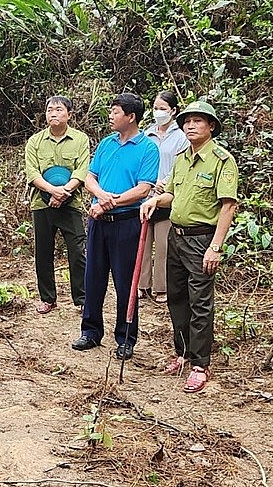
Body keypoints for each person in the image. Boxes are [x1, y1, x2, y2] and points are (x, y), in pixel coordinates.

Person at [140, 100, 238, 393]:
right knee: (177, 298)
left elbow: (228, 205)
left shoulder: (222, 160)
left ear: (211, 126)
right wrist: (157, 199)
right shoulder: (182, 158)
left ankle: (200, 363)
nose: (191, 125)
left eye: (198, 121)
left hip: (201, 239)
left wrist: (215, 246)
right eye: (187, 121)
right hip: (176, 236)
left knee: (200, 302)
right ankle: (181, 353)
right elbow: (172, 194)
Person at [72, 93, 159, 362]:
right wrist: (101, 196)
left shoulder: (147, 148)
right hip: (99, 221)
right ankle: (90, 331)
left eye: (115, 111)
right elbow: (89, 177)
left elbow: (144, 188)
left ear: (131, 117)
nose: (111, 116)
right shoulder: (106, 144)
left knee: (125, 283)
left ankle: (125, 337)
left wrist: (108, 202)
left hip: (127, 223)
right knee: (93, 277)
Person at [24, 95, 90, 314]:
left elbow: (82, 171)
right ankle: (47, 298)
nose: (53, 113)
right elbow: (32, 172)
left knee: (77, 251)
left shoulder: (80, 140)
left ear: (69, 114)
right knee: (43, 252)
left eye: (59, 110)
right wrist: (52, 191)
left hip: (71, 204)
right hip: (41, 204)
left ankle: (81, 298)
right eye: (50, 110)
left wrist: (64, 193)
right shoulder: (35, 141)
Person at [137, 90, 188, 304]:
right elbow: (140, 161)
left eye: (163, 109)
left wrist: (165, 183)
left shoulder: (181, 137)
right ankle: (141, 285)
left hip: (167, 196)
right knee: (142, 243)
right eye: (156, 108)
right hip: (144, 196)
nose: (158, 112)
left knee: (164, 247)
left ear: (173, 111)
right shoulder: (146, 134)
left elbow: (181, 164)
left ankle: (161, 288)